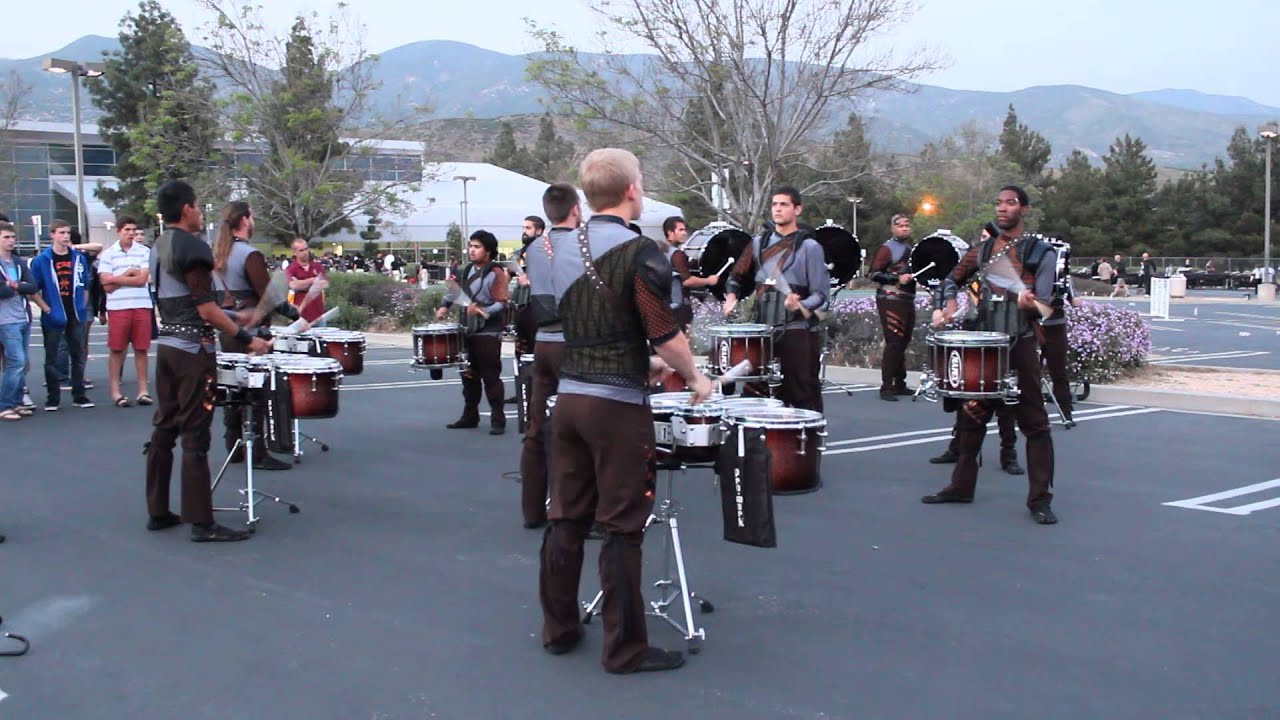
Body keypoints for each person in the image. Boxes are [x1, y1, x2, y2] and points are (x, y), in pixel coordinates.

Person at [538, 148, 712, 674]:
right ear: (634, 189)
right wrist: (694, 375)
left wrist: (644, 360)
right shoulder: (642, 253)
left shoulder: (554, 248)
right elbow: (664, 330)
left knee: (565, 516)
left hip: (569, 398)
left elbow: (567, 316)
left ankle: (559, 629)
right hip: (616, 408)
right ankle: (624, 649)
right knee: (621, 525)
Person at [145, 180, 271, 542]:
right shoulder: (193, 248)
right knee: (195, 434)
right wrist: (247, 337)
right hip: (193, 351)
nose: (201, 212)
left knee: (164, 427)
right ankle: (201, 521)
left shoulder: (157, 246)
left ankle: (157, 510)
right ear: (186, 209)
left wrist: (235, 319)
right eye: (198, 206)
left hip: (167, 346)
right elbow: (205, 308)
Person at [925, 186, 1058, 525]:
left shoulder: (1039, 252)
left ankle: (1040, 500)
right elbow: (948, 281)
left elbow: (1046, 304)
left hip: (1020, 344)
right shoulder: (981, 251)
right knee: (972, 419)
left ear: (1024, 210)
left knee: (1035, 424)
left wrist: (1031, 302)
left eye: (1010, 203)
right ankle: (960, 487)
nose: (1002, 208)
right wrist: (950, 304)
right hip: (985, 345)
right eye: (999, 203)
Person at [722, 188, 830, 411]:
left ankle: (806, 441)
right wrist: (731, 296)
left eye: (784, 204)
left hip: (796, 326)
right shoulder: (758, 243)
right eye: (774, 204)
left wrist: (800, 305)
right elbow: (736, 277)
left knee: (800, 390)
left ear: (797, 209)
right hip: (762, 327)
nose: (778, 209)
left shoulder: (810, 247)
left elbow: (821, 295)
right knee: (755, 388)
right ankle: (757, 443)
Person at [928, 222, 1021, 474]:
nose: (983, 243)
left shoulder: (1017, 259)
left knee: (1005, 398)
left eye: (986, 237)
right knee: (965, 395)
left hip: (1005, 335)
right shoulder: (976, 256)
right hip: (975, 330)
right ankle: (957, 448)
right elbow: (949, 281)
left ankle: (1008, 453)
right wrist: (943, 305)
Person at [212, 202, 292, 471]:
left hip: (228, 329)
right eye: (253, 216)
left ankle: (232, 445)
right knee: (255, 391)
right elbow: (268, 295)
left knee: (234, 388)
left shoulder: (222, 252)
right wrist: (296, 314)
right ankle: (257, 452)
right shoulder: (249, 254)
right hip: (251, 332)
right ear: (245, 220)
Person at [520, 187, 579, 529]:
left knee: (537, 428)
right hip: (573, 341)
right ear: (575, 209)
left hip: (543, 341)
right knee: (580, 430)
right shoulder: (581, 244)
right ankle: (568, 507)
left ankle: (532, 509)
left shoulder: (534, 249)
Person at [436, 230, 510, 435]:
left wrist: (482, 310)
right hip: (466, 329)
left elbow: (501, 303)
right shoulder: (466, 269)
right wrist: (444, 306)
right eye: (470, 246)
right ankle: (470, 416)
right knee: (468, 376)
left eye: (477, 247)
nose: (471, 250)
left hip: (488, 332)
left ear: (488, 251)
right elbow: (455, 292)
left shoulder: (497, 273)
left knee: (491, 376)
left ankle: (498, 420)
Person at [30, 220, 94, 410]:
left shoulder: (78, 258)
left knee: (78, 355)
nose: (65, 236)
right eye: (61, 233)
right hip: (53, 315)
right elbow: (33, 289)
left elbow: (85, 284)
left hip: (75, 313)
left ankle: (79, 394)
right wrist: (46, 308)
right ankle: (53, 397)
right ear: (52, 235)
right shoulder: (42, 260)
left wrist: (82, 306)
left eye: (67, 233)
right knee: (52, 357)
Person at [98, 216, 155, 408]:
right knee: (117, 349)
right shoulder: (108, 254)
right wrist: (127, 274)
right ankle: (115, 391)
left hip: (141, 305)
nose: (131, 234)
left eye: (133, 230)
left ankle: (143, 390)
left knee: (141, 348)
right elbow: (106, 286)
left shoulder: (144, 251)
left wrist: (116, 279)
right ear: (119, 231)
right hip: (117, 308)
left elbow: (142, 280)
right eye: (127, 230)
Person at [868, 214, 917, 401]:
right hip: (890, 299)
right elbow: (872, 274)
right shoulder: (887, 249)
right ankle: (886, 386)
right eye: (900, 225)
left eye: (907, 225)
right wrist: (896, 278)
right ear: (892, 228)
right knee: (894, 341)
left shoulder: (911, 248)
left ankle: (900, 383)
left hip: (907, 299)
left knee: (903, 341)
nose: (904, 228)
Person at [0, 222, 39, 421]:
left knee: (22, 362)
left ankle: (16, 402)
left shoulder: (18, 262)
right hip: (5, 320)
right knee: (16, 361)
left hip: (22, 316)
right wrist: (13, 286)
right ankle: (5, 404)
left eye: (12, 237)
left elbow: (32, 286)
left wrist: (14, 285)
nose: (11, 241)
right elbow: (2, 291)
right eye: (6, 237)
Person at [284, 238, 327, 324]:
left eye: (306, 249)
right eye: (301, 250)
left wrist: (302, 284)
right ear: (295, 252)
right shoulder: (291, 269)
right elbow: (293, 285)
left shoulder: (317, 266)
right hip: (300, 318)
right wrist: (313, 280)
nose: (305, 252)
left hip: (319, 316)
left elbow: (324, 284)